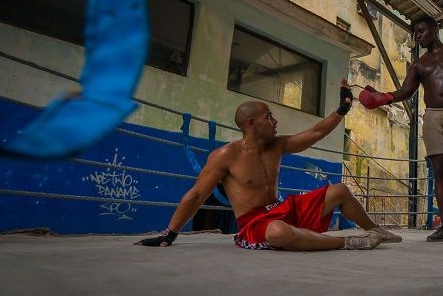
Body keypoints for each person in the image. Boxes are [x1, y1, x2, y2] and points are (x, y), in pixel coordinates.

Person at [136, 80, 401, 250]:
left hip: (283, 208)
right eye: (269, 117)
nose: (275, 122)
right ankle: (349, 242)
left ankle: (375, 230)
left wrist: (342, 109)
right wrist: (169, 234)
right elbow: (195, 195)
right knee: (276, 232)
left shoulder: (277, 145)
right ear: (251, 124)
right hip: (257, 222)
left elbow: (316, 133)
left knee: (340, 190)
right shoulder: (225, 156)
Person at [359, 16, 443, 244]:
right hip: (432, 116)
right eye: (416, 33)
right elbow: (405, 91)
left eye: (422, 31)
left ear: (435, 29)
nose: (418, 36)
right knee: (440, 172)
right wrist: (382, 97)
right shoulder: (419, 64)